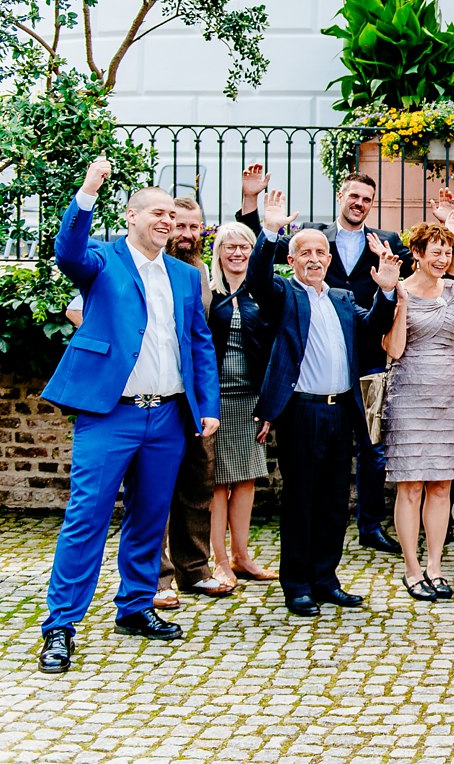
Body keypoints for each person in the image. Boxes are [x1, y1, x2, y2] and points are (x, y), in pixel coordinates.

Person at [37, 159, 219, 675]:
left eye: (172, 214)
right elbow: (66, 251)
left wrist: (206, 407)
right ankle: (60, 626)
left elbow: (198, 343)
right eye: (157, 212)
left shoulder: (187, 276)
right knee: (86, 516)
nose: (166, 221)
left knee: (150, 516)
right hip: (109, 414)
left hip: (167, 415)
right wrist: (87, 189)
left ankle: (136, 608)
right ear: (131, 216)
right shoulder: (101, 260)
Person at [236, 166, 411, 557]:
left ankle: (363, 532)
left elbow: (417, 269)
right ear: (340, 197)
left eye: (367, 199)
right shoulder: (307, 246)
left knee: (366, 453)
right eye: (354, 196)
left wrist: (388, 288)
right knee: (306, 486)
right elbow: (260, 271)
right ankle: (300, 576)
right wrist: (260, 217)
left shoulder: (383, 242)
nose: (360, 204)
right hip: (306, 385)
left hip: (361, 360)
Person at [383, 223, 454, 602]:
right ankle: (412, 569)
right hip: (408, 395)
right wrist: (399, 305)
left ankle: (435, 566)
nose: (442, 258)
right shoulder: (397, 290)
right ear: (415, 254)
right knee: (411, 485)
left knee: (441, 486)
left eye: (446, 251)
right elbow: (394, 350)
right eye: (434, 251)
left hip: (448, 396)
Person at [151, 195, 229, 607]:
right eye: (178, 225)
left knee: (198, 486)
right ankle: (157, 579)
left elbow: (201, 340)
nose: (185, 234)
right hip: (157, 393)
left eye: (193, 227)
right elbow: (80, 309)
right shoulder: (142, 268)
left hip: (195, 396)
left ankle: (194, 570)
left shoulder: (197, 272)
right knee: (156, 489)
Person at [206, 222, 276, 587]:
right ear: (218, 252)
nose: (237, 253)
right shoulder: (209, 294)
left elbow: (271, 350)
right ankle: (219, 560)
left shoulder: (261, 294)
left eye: (244, 247)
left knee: (246, 478)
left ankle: (242, 555)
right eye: (229, 247)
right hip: (215, 400)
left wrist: (267, 404)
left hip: (250, 398)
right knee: (218, 482)